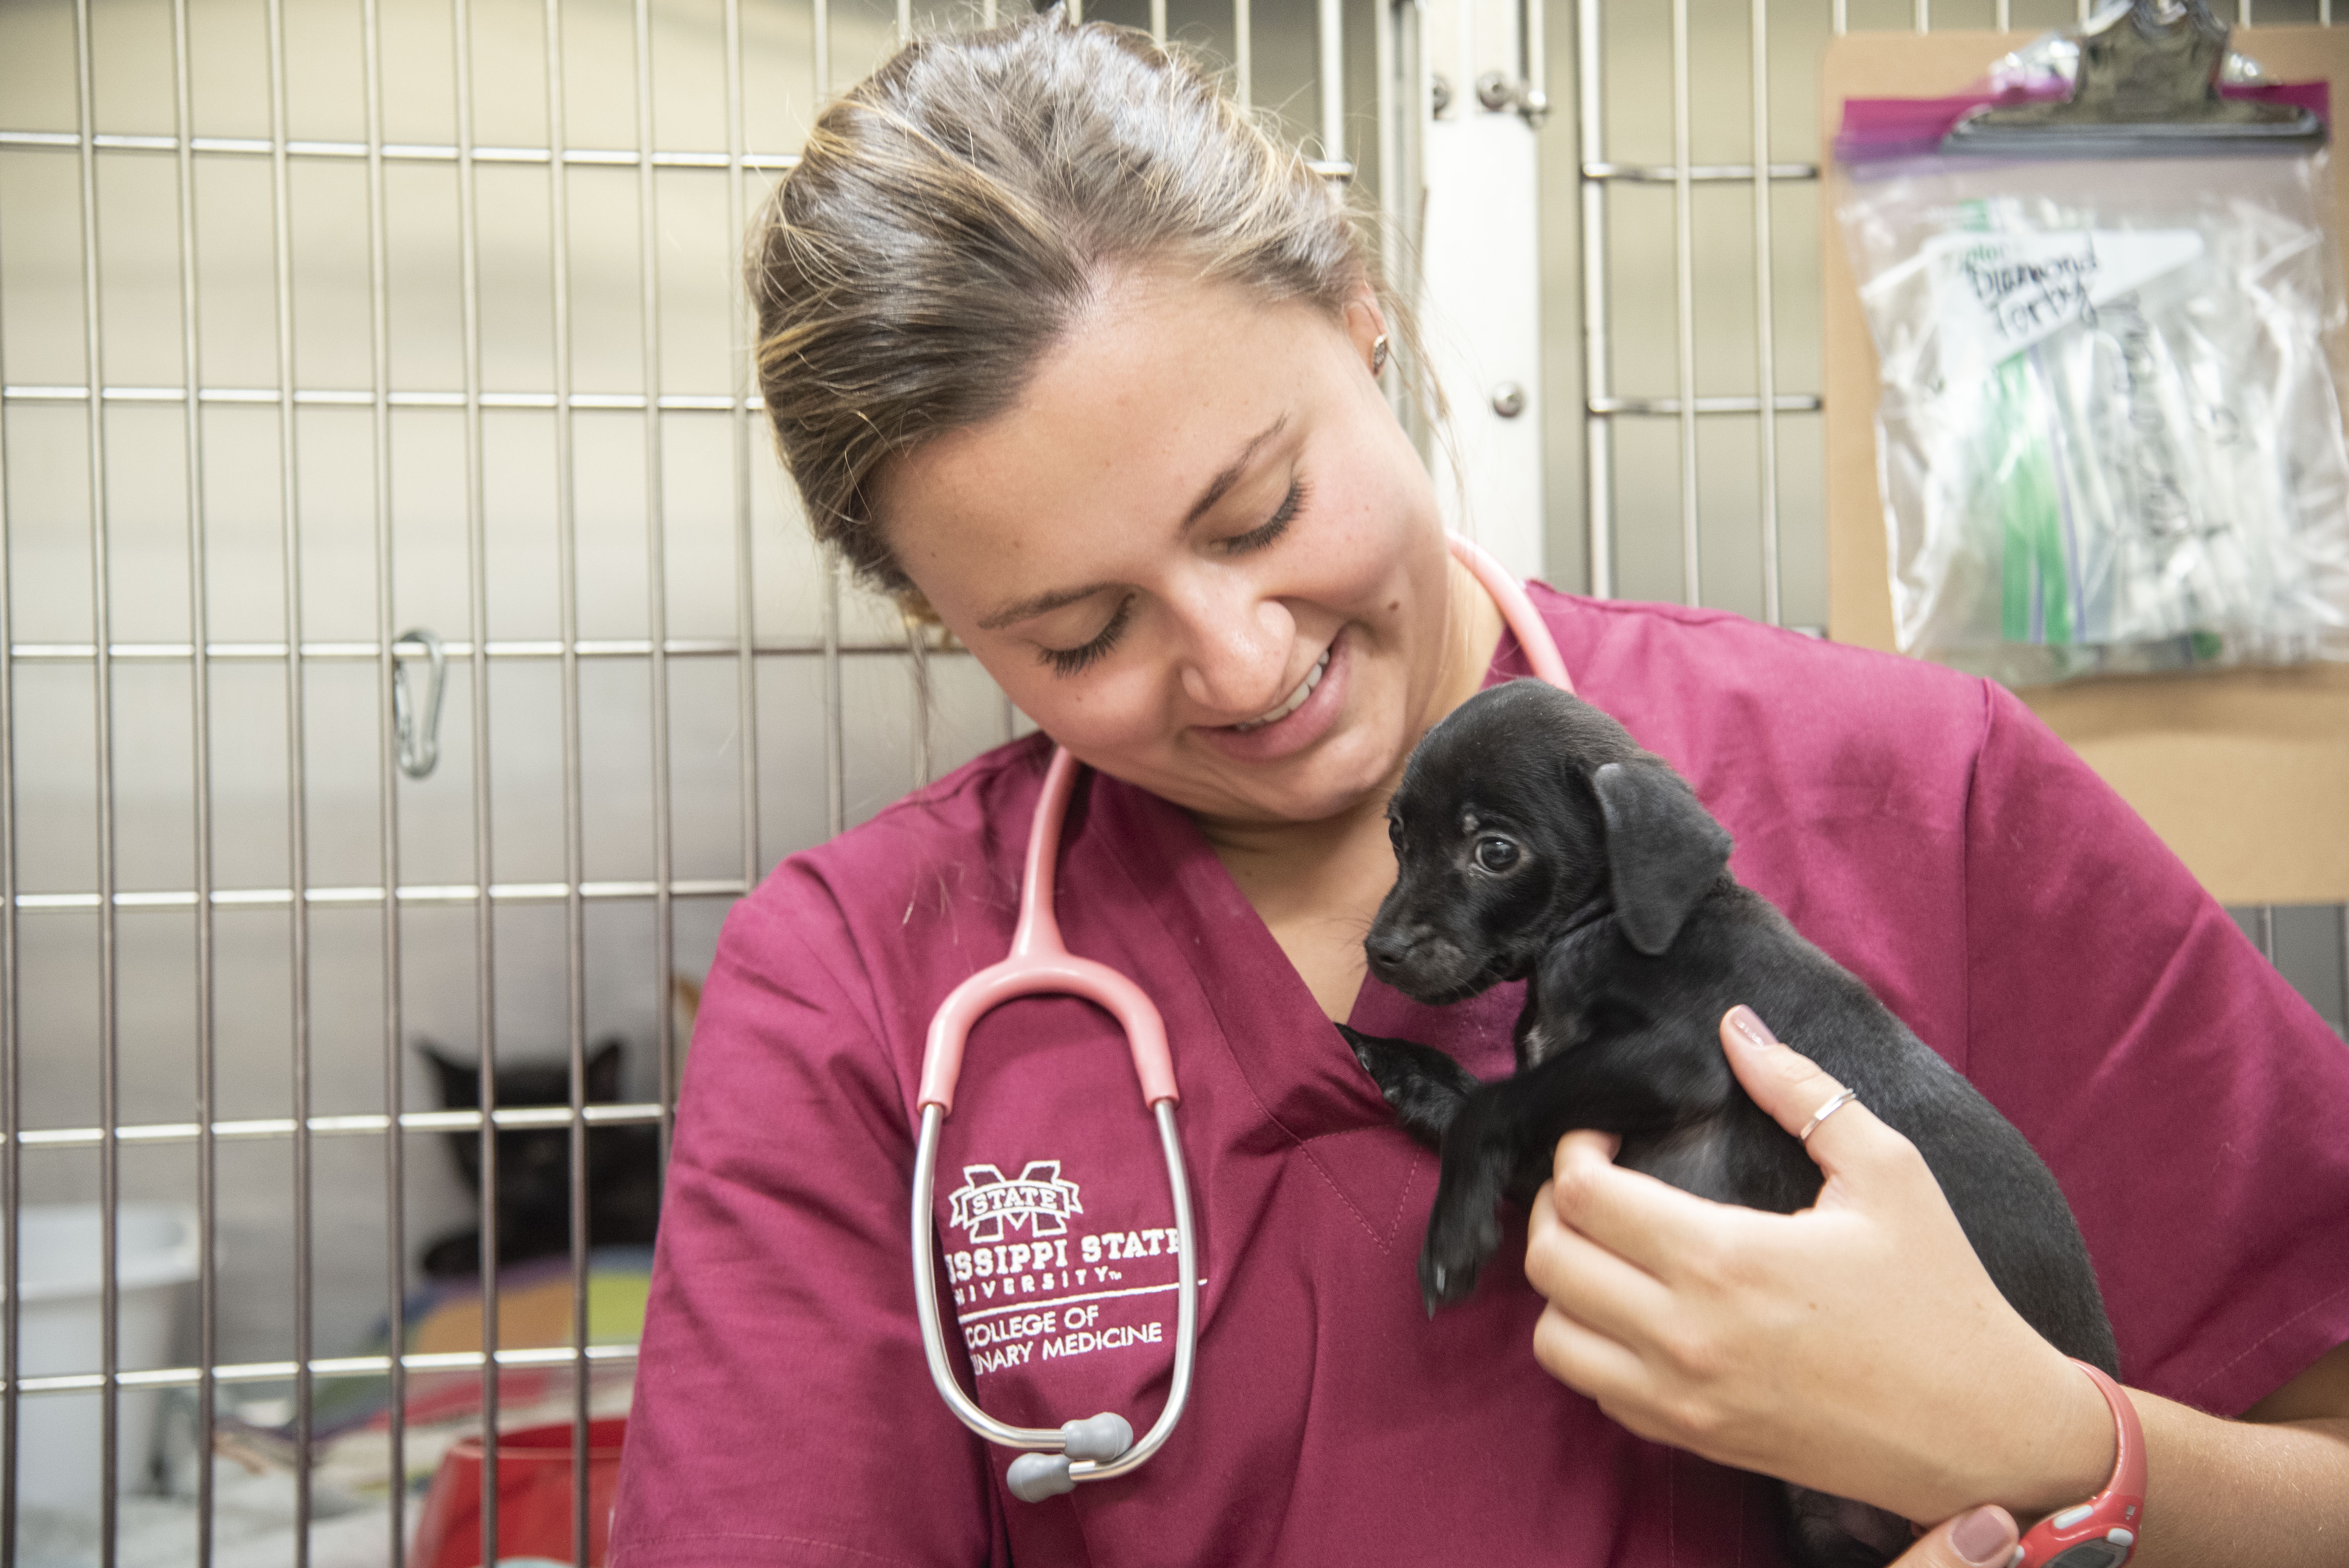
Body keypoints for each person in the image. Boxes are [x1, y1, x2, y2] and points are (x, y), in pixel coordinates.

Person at [608, 14, 2349, 1566]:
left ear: (1363, 314)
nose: (1236, 661)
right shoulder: (856, 994)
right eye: (1078, 631)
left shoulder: (1915, 795)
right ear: (942, 621)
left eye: (1260, 511)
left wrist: (2060, 1452)